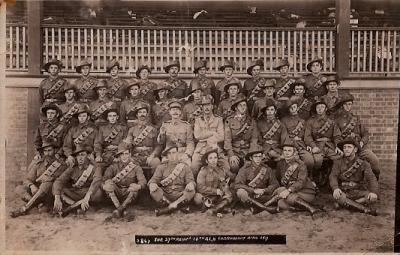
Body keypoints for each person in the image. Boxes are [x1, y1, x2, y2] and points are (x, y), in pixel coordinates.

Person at [10, 140, 68, 218]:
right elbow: (28, 179)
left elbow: (60, 182)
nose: (47, 153)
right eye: (45, 151)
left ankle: (25, 209)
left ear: (54, 150)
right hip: (36, 193)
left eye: (50, 150)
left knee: (47, 184)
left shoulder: (61, 165)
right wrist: (31, 186)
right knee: (19, 188)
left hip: (50, 194)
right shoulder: (39, 164)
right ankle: (37, 204)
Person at [334, 93, 381, 179]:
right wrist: (338, 145)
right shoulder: (337, 121)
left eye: (349, 104)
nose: (348, 106)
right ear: (342, 106)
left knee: (374, 160)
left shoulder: (356, 119)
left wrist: (362, 142)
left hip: (360, 147)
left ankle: (374, 180)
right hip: (347, 148)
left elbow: (365, 134)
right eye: (345, 104)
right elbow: (336, 136)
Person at [271, 141, 322, 218]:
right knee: (281, 203)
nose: (287, 153)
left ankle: (311, 208)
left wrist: (288, 191)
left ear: (294, 152)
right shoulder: (280, 164)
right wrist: (281, 190)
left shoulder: (301, 164)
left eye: (289, 151)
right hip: (292, 193)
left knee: (287, 197)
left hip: (306, 192)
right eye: (285, 150)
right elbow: (278, 179)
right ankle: (304, 208)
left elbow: (301, 182)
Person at [329, 138, 378, 215]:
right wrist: (335, 188)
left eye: (349, 147)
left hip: (358, 191)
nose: (346, 149)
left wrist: (374, 192)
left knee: (372, 198)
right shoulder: (338, 162)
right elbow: (333, 176)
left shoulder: (363, 163)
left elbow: (372, 178)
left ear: (355, 150)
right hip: (344, 191)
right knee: (338, 196)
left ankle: (346, 204)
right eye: (344, 147)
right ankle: (364, 209)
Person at [53, 145, 103, 216]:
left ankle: (76, 207)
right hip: (76, 194)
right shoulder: (72, 168)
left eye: (82, 155)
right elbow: (59, 181)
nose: (80, 158)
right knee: (59, 189)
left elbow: (97, 180)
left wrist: (88, 196)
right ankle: (77, 206)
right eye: (78, 155)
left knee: (98, 192)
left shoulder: (95, 167)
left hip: (89, 194)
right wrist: (57, 198)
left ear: (88, 156)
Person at [148, 145, 196, 216]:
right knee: (153, 191)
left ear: (178, 154)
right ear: (167, 156)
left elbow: (191, 181)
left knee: (191, 191)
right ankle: (177, 207)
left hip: (180, 195)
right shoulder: (161, 167)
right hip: (165, 195)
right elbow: (154, 179)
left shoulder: (185, 167)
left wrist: (191, 184)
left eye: (174, 152)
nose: (172, 155)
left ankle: (168, 208)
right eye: (169, 153)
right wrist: (152, 184)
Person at [102, 143, 147, 219]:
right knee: (109, 183)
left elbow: (143, 181)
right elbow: (104, 179)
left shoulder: (136, 167)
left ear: (130, 154)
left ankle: (119, 209)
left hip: (129, 194)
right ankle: (122, 208)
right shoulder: (113, 166)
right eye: (122, 154)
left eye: (126, 153)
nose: (124, 156)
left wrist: (138, 186)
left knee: (134, 186)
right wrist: (104, 186)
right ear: (119, 156)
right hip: (116, 193)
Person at [233, 145, 279, 215]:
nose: (258, 159)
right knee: (240, 192)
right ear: (251, 158)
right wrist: (253, 191)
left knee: (281, 190)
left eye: (260, 156)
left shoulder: (267, 169)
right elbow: (237, 185)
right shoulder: (244, 170)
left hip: (263, 195)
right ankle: (265, 208)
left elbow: (275, 184)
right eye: (255, 157)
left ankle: (255, 209)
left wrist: (264, 190)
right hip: (250, 197)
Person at [304, 100, 342, 184]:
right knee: (317, 161)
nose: (320, 109)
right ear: (315, 109)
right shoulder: (310, 121)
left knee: (340, 158)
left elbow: (337, 136)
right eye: (318, 107)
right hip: (317, 146)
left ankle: (331, 178)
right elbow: (307, 137)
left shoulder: (331, 122)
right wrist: (313, 146)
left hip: (329, 146)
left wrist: (337, 146)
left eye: (322, 107)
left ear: (326, 108)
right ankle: (314, 178)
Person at [123, 102, 162, 180]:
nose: (142, 114)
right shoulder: (132, 129)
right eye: (140, 112)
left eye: (144, 112)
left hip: (150, 155)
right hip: (136, 156)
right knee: (128, 164)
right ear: (137, 115)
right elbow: (128, 145)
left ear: (147, 114)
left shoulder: (153, 129)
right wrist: (128, 143)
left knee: (157, 163)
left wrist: (153, 155)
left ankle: (153, 184)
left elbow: (158, 145)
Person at [194, 147, 233, 215]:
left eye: (215, 157)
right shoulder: (203, 171)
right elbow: (200, 187)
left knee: (229, 195)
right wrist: (215, 191)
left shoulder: (221, 170)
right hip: (206, 196)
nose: (213, 160)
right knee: (197, 198)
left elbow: (229, 179)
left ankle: (213, 209)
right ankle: (221, 208)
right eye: (211, 158)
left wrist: (224, 188)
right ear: (207, 161)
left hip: (217, 197)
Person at [192, 95, 225, 176]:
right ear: (202, 107)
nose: (206, 107)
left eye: (208, 105)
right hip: (201, 148)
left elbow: (221, 136)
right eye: (204, 105)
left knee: (226, 166)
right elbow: (197, 135)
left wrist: (206, 136)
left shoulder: (218, 119)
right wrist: (213, 133)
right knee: (194, 166)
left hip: (215, 147)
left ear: (212, 106)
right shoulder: (198, 120)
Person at [281, 98, 315, 172]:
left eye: (295, 107)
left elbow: (307, 135)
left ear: (297, 107)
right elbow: (284, 135)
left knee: (310, 161)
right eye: (291, 108)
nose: (293, 109)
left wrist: (308, 144)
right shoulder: (283, 120)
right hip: (289, 146)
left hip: (301, 145)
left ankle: (308, 176)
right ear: (288, 109)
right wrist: (291, 144)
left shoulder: (302, 121)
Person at [224, 98, 257, 173]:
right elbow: (227, 140)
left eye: (244, 105)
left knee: (251, 166)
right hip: (235, 150)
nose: (243, 107)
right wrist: (231, 155)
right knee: (233, 165)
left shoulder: (251, 121)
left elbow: (254, 139)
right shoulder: (229, 120)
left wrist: (251, 154)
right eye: (240, 105)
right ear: (236, 108)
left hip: (247, 149)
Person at [157, 101, 194, 166]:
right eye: (173, 110)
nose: (175, 112)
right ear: (169, 112)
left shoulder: (187, 126)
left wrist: (187, 154)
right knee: (164, 168)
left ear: (180, 112)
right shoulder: (165, 125)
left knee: (188, 166)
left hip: (182, 153)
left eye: (177, 110)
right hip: (169, 153)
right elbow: (161, 142)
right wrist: (162, 134)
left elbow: (190, 142)